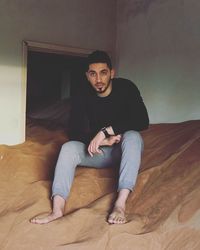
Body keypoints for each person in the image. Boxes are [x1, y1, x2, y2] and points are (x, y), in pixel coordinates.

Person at [30, 50, 149, 225]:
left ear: (112, 73)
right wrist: (103, 140)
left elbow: (142, 120)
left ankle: (120, 205)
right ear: (87, 75)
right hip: (100, 152)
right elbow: (75, 132)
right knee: (68, 147)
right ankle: (57, 209)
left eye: (103, 73)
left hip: (124, 151)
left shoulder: (126, 88)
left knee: (133, 136)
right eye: (93, 74)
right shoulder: (82, 94)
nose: (98, 79)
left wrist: (105, 132)